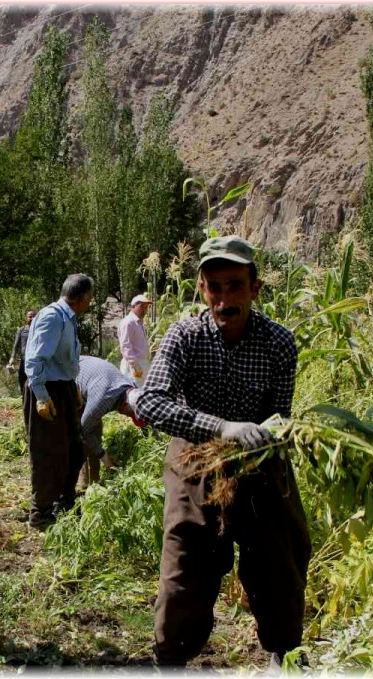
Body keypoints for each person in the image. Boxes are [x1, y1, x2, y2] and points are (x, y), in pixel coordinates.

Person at [135, 236, 309, 670]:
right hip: (195, 459)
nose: (224, 299)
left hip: (258, 462)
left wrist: (275, 437)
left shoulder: (279, 344)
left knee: (281, 559)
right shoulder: (186, 336)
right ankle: (170, 657)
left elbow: (278, 416)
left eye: (235, 286)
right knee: (185, 565)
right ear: (201, 288)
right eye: (215, 287)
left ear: (255, 289)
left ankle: (283, 653)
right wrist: (221, 427)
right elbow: (151, 401)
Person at [22, 273, 94, 529]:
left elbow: (62, 360)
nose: (90, 303)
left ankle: (63, 505)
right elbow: (34, 359)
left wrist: (72, 387)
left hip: (62, 387)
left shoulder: (68, 318)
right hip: (47, 389)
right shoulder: (52, 316)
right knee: (48, 453)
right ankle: (40, 514)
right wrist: (42, 397)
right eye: (90, 298)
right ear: (82, 298)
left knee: (74, 451)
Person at [74, 355, 140, 490]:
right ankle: (84, 482)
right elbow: (84, 429)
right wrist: (105, 458)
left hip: (93, 378)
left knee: (95, 427)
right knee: (81, 431)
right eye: (131, 414)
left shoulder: (131, 386)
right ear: (126, 405)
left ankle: (95, 480)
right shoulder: (104, 399)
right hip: (71, 376)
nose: (129, 417)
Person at [117, 294, 153, 387]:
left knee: (143, 392)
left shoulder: (139, 322)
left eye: (146, 307)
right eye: (141, 306)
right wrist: (136, 366)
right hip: (134, 366)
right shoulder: (128, 323)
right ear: (133, 306)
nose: (144, 310)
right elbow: (125, 347)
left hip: (142, 364)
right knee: (135, 392)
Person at [5, 309, 37, 395]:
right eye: (30, 316)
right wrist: (12, 357)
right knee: (22, 378)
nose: (32, 318)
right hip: (24, 359)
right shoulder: (21, 330)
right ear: (26, 318)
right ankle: (24, 398)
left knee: (35, 380)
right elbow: (16, 345)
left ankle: (35, 400)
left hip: (36, 360)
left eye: (34, 316)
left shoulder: (39, 330)